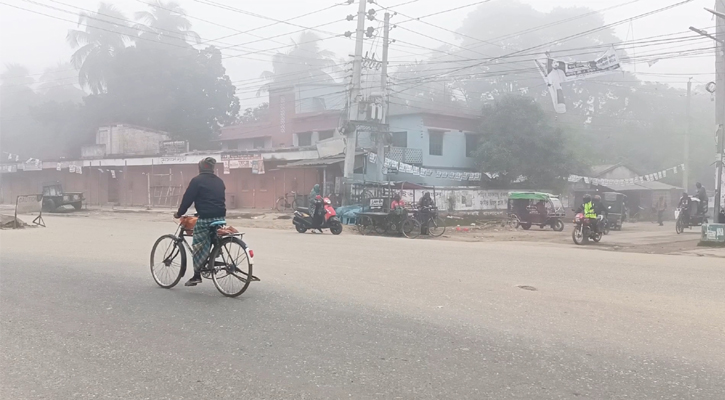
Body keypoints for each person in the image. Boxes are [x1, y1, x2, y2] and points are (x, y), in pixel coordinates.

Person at [174, 157, 226, 287]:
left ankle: (197, 275)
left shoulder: (197, 181)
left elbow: (188, 199)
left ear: (201, 167)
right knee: (212, 236)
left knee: (197, 245)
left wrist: (179, 213)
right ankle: (216, 250)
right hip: (220, 217)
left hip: (206, 218)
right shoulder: (220, 181)